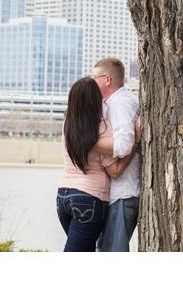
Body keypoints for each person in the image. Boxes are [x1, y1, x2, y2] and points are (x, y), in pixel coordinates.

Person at [57, 77, 139, 252]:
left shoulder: (67, 125)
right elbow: (115, 170)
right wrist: (136, 141)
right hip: (88, 199)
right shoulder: (101, 128)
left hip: (63, 198)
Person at [91, 57, 141, 252]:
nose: (92, 81)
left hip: (123, 193)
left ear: (107, 79)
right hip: (117, 194)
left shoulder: (120, 103)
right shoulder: (114, 102)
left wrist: (89, 143)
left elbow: (124, 145)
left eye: (95, 77)